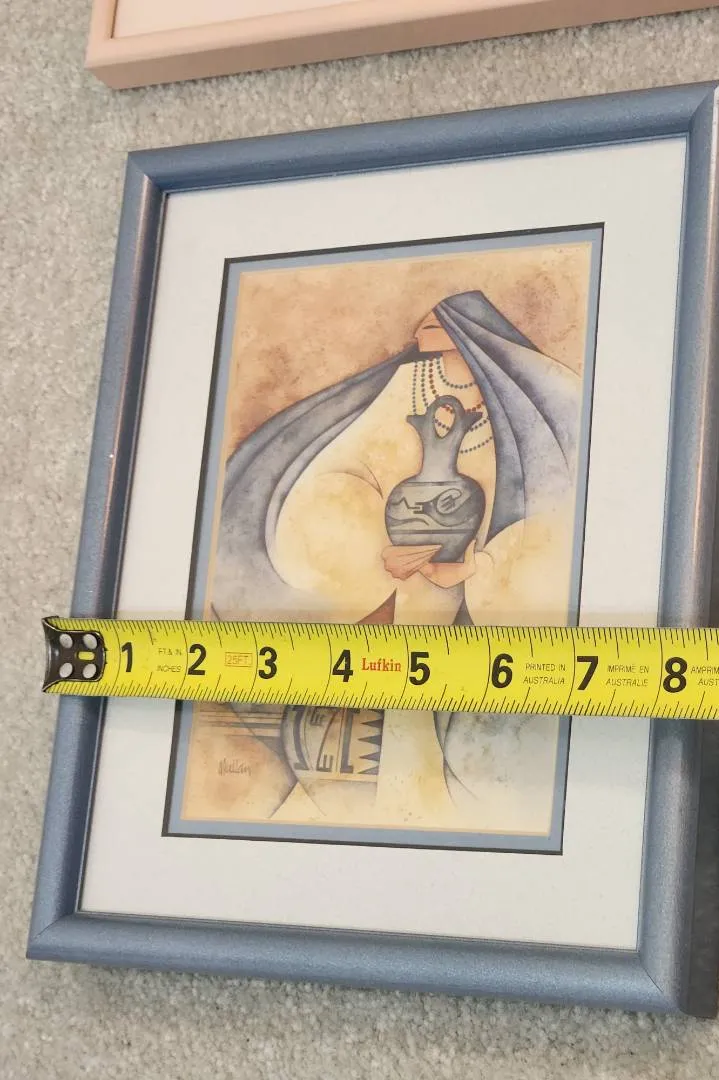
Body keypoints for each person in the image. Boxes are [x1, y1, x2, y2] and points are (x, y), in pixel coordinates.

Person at [208, 290, 582, 832]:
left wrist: (474, 566)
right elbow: (349, 467)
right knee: (398, 689)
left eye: (437, 317)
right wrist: (380, 552)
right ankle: (396, 797)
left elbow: (533, 504)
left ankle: (430, 798)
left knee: (452, 702)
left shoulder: (508, 396)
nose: (421, 324)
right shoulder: (406, 384)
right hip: (404, 573)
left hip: (469, 576)